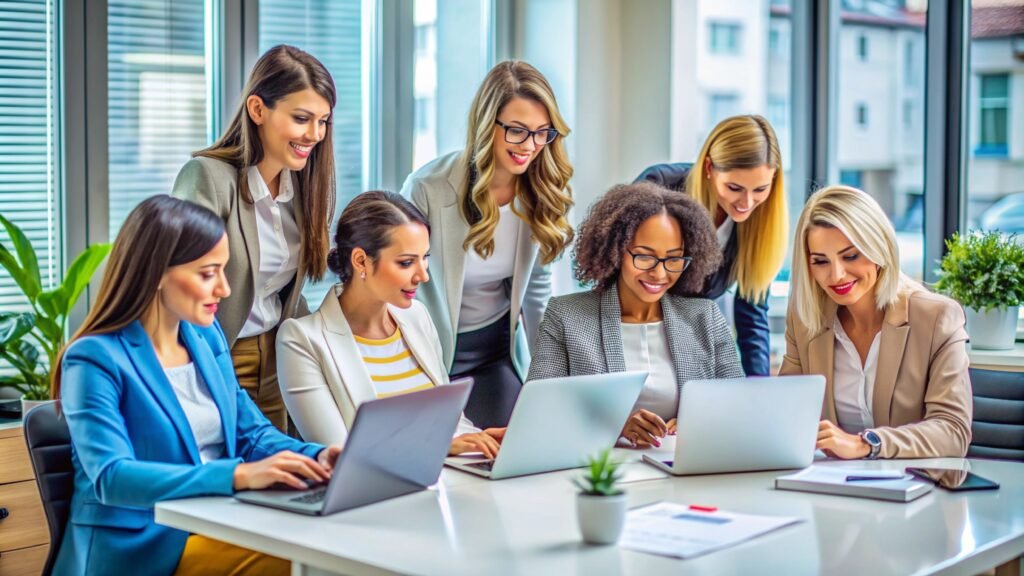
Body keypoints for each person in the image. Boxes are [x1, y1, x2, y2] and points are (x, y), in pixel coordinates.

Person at [52, 196, 342, 576]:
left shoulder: (205, 338)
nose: (223, 289)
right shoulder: (94, 359)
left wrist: (315, 458)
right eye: (208, 273)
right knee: (312, 561)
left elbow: (250, 434)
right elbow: (111, 477)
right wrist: (236, 476)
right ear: (156, 273)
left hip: (220, 518)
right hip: (145, 545)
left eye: (224, 270)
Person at [400, 60, 574, 428]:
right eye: (516, 131)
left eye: (542, 133)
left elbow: (536, 296)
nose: (530, 146)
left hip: (495, 352)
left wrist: (549, 382)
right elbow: (399, 290)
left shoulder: (539, 193)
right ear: (486, 124)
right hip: (430, 349)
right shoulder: (427, 188)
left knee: (518, 444)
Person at [172, 44, 337, 431]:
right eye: (302, 118)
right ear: (258, 109)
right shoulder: (208, 178)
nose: (314, 135)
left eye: (323, 121)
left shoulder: (304, 186)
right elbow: (182, 289)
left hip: (281, 358)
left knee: (287, 477)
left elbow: (285, 296)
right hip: (221, 357)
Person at [277, 191, 504, 458]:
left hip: (445, 483)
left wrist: (479, 439)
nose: (423, 275)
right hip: (372, 495)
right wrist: (438, 446)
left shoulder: (417, 317)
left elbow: (450, 425)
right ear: (361, 261)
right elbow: (341, 453)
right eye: (406, 262)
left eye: (425, 257)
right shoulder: (301, 340)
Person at [527, 182, 744, 448]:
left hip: (682, 473)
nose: (660, 274)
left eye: (673, 259)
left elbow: (737, 406)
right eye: (644, 257)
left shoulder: (705, 318)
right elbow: (539, 413)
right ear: (616, 251)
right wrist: (616, 424)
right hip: (600, 474)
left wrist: (703, 420)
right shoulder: (566, 316)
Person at [780, 185, 973, 459]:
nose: (836, 275)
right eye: (820, 261)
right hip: (829, 485)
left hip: (914, 488)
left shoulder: (937, 318)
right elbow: (787, 414)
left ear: (878, 246)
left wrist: (866, 444)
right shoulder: (804, 319)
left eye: (850, 256)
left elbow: (953, 432)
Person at [635, 114, 788, 376]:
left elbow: (752, 316)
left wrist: (758, 388)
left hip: (692, 350)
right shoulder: (659, 187)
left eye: (760, 190)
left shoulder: (758, 223)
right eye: (734, 187)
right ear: (708, 168)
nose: (747, 203)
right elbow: (620, 286)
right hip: (637, 340)